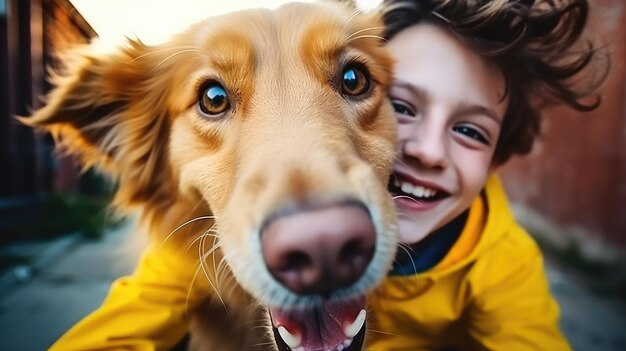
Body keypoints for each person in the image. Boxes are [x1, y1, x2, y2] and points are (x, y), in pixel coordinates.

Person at [49, 0, 604, 350]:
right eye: (213, 98)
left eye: (355, 82)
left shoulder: (499, 256)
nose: (429, 152)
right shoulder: (182, 253)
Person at [365, 0, 604, 349]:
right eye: (400, 107)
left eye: (471, 132)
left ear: (494, 162)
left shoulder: (506, 263)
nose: (429, 151)